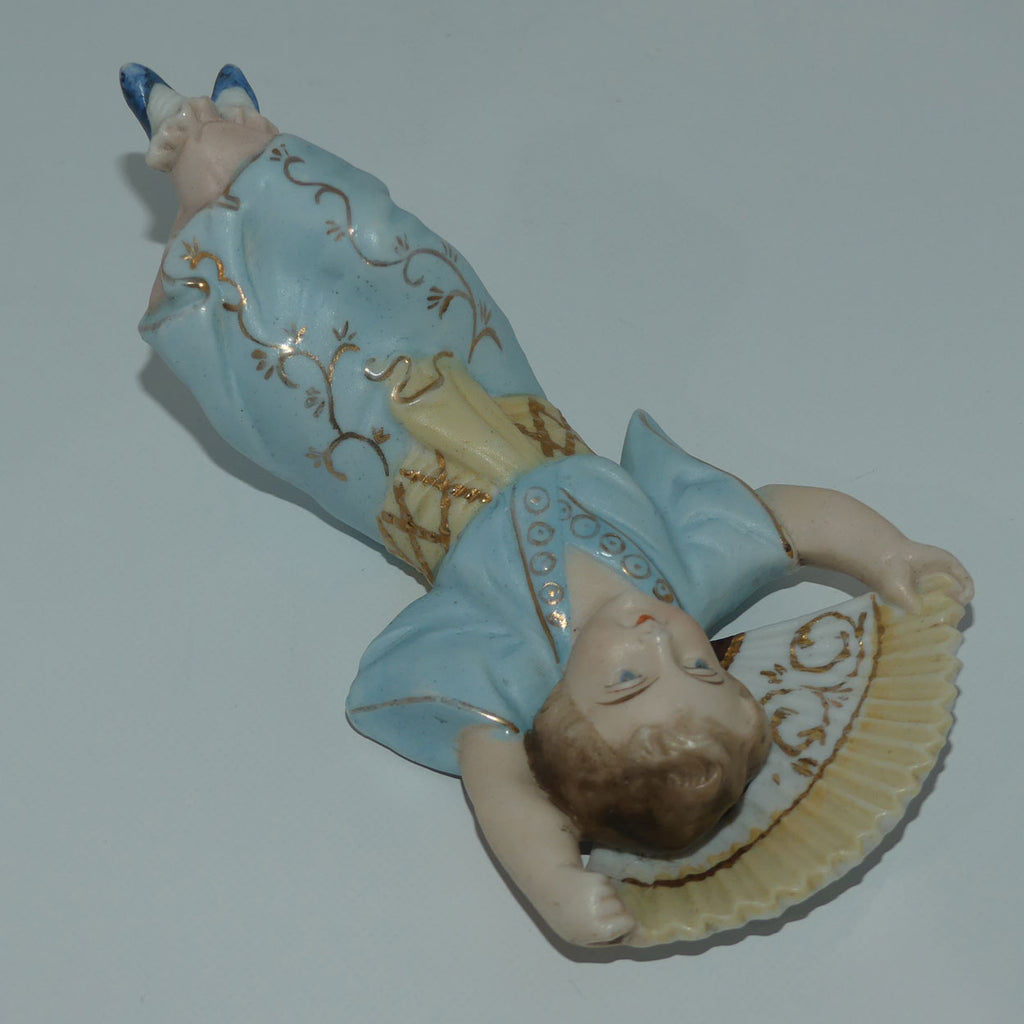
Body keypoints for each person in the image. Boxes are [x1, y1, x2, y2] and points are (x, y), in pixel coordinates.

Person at [121, 65, 973, 946]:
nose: (657, 638)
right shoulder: (690, 572)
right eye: (701, 664)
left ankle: (199, 192)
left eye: (627, 681)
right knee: (383, 247)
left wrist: (556, 883)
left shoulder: (517, 659)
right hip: (486, 373)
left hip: (374, 458)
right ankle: (252, 152)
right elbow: (794, 520)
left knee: (275, 346)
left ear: (556, 716)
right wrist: (888, 553)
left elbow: (498, 783)